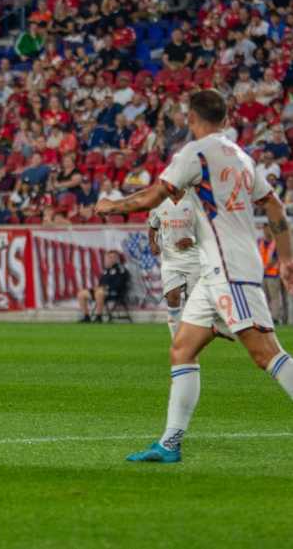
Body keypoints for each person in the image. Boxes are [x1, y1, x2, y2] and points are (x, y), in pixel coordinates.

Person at [97, 90, 293, 463]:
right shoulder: (241, 156)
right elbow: (274, 205)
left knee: (266, 353)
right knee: (182, 348)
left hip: (228, 269)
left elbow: (153, 196)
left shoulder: (195, 153)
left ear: (190, 118)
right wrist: (285, 258)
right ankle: (170, 443)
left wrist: (111, 206)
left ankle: (171, 442)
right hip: (217, 269)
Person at [148, 191, 201, 340]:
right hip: (170, 259)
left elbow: (207, 229)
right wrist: (152, 243)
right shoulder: (160, 203)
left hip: (193, 258)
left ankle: (194, 336)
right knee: (172, 297)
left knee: (193, 301)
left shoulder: (194, 201)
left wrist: (192, 239)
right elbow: (153, 227)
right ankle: (177, 339)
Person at [76, 250, 128, 323]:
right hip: (102, 291)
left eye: (113, 257)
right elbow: (101, 283)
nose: (111, 259)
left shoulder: (121, 270)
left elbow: (119, 284)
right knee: (81, 294)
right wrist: (97, 287)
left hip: (114, 292)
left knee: (99, 293)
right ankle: (86, 316)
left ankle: (99, 316)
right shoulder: (106, 270)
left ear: (117, 259)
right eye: (109, 257)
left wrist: (105, 288)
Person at [259, 224, 286, 324]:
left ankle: (275, 318)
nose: (266, 231)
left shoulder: (275, 243)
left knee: (275, 298)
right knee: (264, 297)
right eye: (265, 229)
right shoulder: (260, 242)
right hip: (262, 275)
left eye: (268, 229)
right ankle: (266, 317)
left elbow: (275, 258)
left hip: (273, 274)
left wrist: (265, 268)